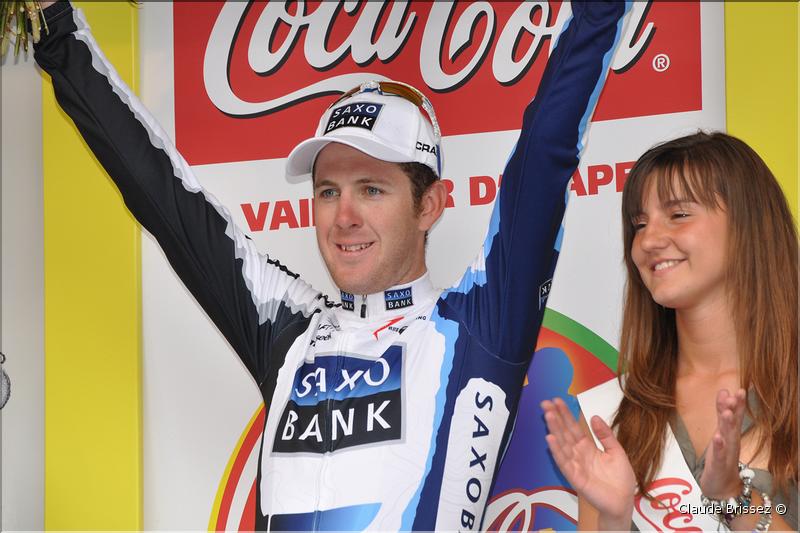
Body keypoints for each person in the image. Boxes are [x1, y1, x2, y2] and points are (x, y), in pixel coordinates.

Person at [35, 0, 627, 530]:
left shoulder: (476, 327)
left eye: (371, 190)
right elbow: (161, 194)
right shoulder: (286, 327)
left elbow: (546, 149)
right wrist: (55, 26)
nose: (343, 217)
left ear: (430, 204)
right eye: (327, 191)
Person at [542, 132, 798, 531]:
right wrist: (613, 517)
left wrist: (734, 497)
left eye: (679, 215)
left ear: (751, 224)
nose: (648, 240)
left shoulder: (791, 388)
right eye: (639, 223)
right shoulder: (614, 413)